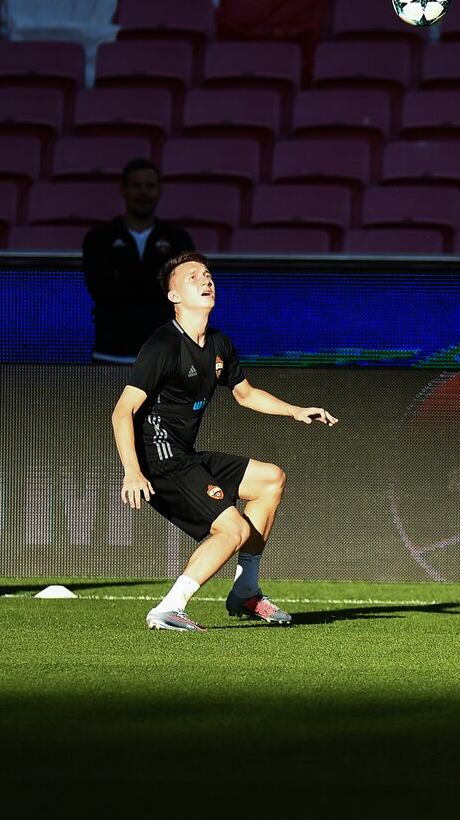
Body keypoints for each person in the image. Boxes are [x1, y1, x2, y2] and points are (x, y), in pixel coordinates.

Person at [112, 252, 338, 632]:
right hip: (161, 461)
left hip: (186, 456)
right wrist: (132, 472)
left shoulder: (219, 344)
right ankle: (169, 607)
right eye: (193, 277)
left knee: (271, 479)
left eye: (208, 274)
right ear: (174, 297)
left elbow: (246, 395)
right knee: (232, 530)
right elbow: (123, 411)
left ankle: (245, 592)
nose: (206, 280)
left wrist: (296, 410)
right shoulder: (163, 345)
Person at [83, 158, 196, 364]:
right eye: (136, 186)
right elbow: (101, 290)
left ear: (159, 191)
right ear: (123, 190)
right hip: (111, 353)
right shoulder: (99, 238)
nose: (143, 192)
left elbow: (185, 294)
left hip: (165, 356)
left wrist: (124, 275)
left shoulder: (179, 239)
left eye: (150, 186)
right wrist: (158, 280)